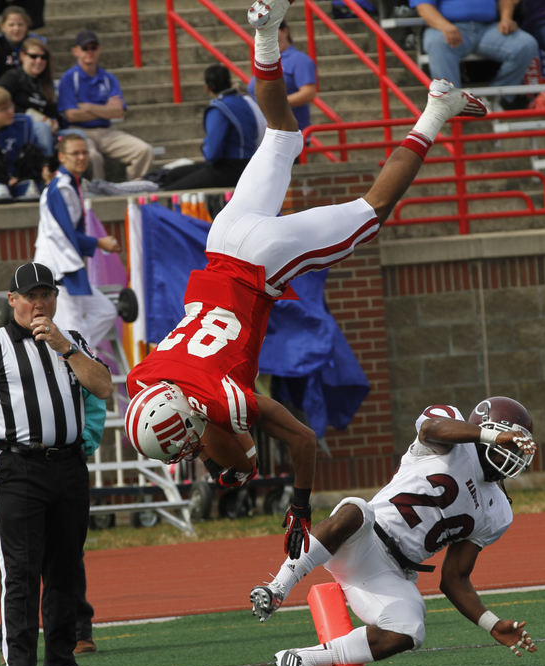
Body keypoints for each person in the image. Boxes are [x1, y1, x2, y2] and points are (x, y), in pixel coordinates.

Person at [124, 0, 488, 560]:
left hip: (261, 267)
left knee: (372, 210)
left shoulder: (220, 401)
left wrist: (299, 503)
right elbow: (209, 431)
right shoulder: (144, 381)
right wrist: (225, 463)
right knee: (280, 135)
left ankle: (437, 109)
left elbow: (297, 441)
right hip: (222, 238)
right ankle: (267, 37)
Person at [250, 397, 538, 666]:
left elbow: (455, 578)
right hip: (363, 535)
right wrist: (493, 436)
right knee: (356, 508)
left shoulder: (498, 511)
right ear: (483, 428)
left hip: (390, 574)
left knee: (410, 630)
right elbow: (431, 428)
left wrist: (491, 623)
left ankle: (300, 657)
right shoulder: (451, 434)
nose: (510, 452)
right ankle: (276, 589)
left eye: (515, 447)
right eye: (507, 442)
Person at [0, 261, 112, 666]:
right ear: (13, 301)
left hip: (68, 466)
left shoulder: (73, 342)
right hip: (20, 468)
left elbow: (103, 387)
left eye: (47, 295)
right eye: (31, 296)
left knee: (66, 568)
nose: (40, 303)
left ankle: (61, 665)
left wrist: (66, 347)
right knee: (21, 573)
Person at [34, 133, 121, 350]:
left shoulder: (71, 185)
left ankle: (70, 350)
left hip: (68, 266)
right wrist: (99, 243)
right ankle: (70, 353)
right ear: (62, 157)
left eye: (84, 152)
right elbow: (65, 235)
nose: (81, 157)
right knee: (74, 331)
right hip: (60, 272)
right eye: (75, 153)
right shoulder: (61, 188)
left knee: (105, 311)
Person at [57, 29, 153, 181]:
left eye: (93, 48)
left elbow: (118, 111)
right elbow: (71, 115)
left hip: (107, 131)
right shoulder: (69, 78)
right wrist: (106, 109)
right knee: (93, 156)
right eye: (85, 48)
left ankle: (134, 189)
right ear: (75, 51)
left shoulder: (108, 78)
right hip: (80, 131)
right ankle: (98, 193)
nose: (90, 52)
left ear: (99, 50)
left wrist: (88, 107)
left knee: (144, 150)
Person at [151, 63, 266, 191]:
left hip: (230, 169)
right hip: (248, 163)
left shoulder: (219, 108)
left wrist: (205, 149)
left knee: (170, 190)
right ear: (229, 82)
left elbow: (212, 153)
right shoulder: (245, 101)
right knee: (173, 174)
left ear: (207, 87)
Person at [410, 0, 538, 110]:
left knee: (526, 44)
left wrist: (506, 19)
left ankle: (495, 100)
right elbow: (423, 7)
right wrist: (445, 26)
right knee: (438, 44)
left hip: (488, 28)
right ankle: (452, 105)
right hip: (449, 27)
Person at [248, 19, 317, 132]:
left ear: (285, 31)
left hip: (289, 132)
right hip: (265, 132)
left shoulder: (299, 60)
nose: (268, 37)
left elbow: (308, 93)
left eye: (272, 31)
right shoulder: (265, 61)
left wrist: (274, 103)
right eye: (263, 34)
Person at [0, 37, 58, 155]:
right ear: (22, 56)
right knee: (42, 129)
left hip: (46, 126)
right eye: (33, 56)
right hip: (17, 125)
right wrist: (33, 116)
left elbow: (52, 111)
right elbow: (0, 103)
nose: (39, 61)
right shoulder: (12, 77)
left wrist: (55, 121)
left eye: (43, 57)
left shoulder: (46, 82)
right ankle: (45, 169)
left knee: (77, 134)